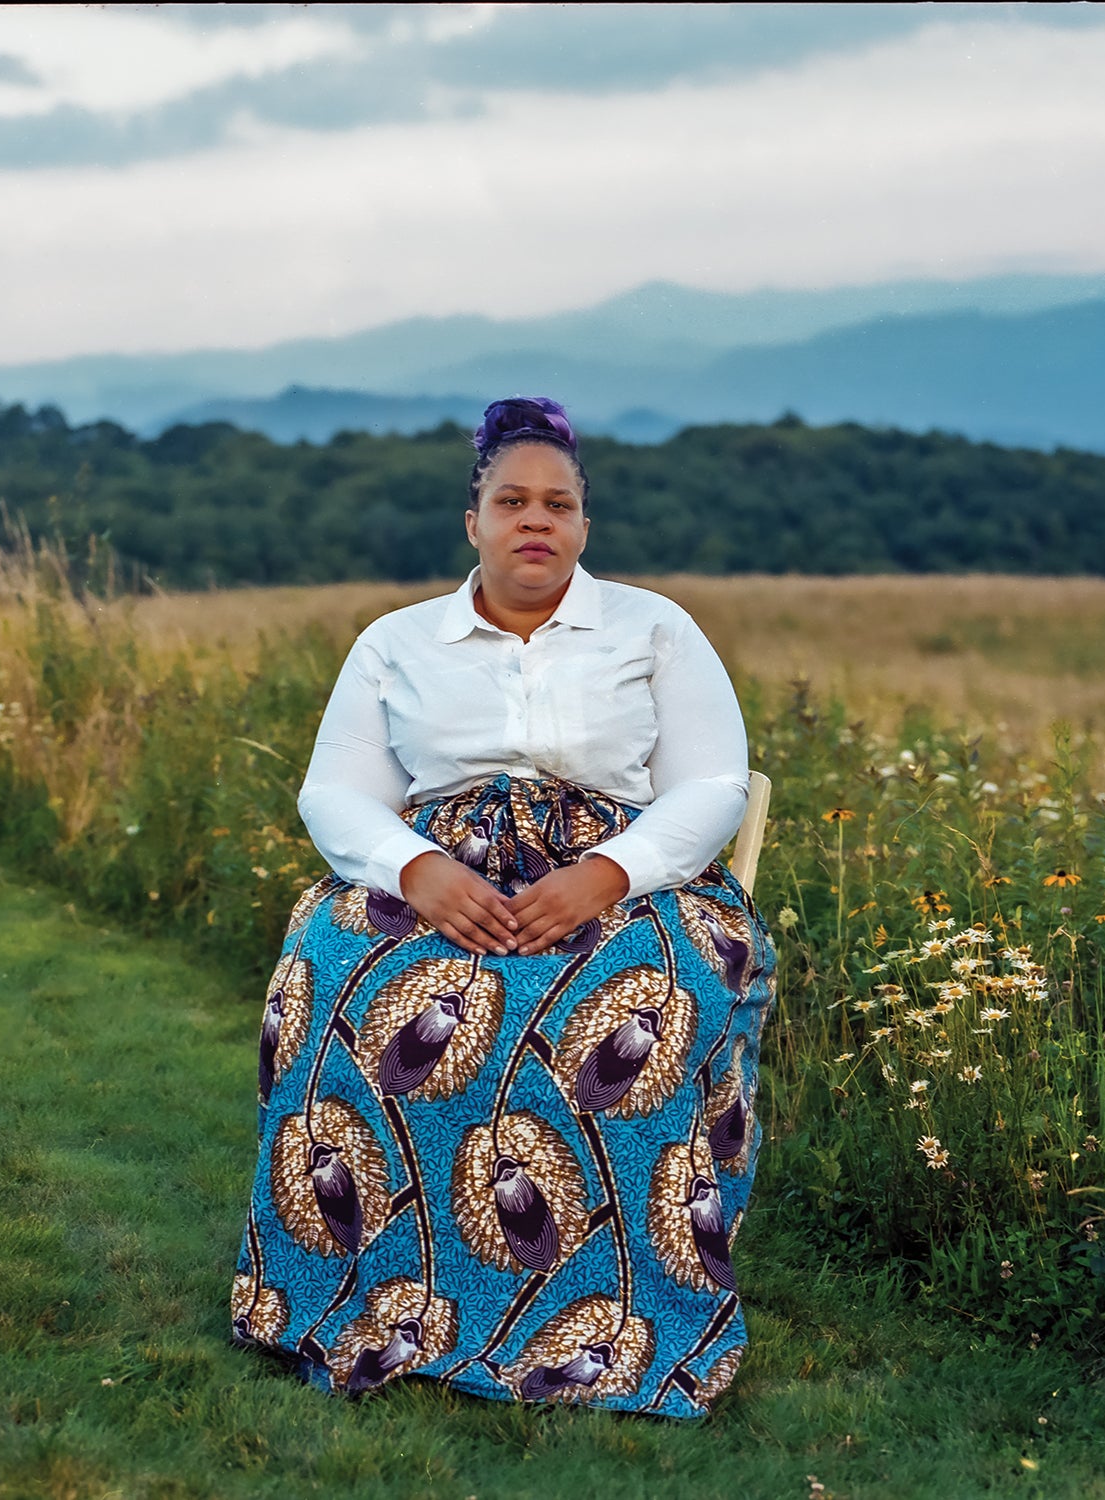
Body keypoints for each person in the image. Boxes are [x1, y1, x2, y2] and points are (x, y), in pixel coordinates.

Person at [231, 396, 776, 1418]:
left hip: (625, 870)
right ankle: (366, 1295)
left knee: (637, 997)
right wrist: (412, 869)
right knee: (332, 968)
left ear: (583, 523)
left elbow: (712, 787)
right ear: (472, 519)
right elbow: (334, 791)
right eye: (513, 500)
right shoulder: (398, 642)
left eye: (559, 505)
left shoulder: (655, 628)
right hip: (442, 869)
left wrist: (610, 871)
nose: (538, 521)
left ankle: (619, 1322)